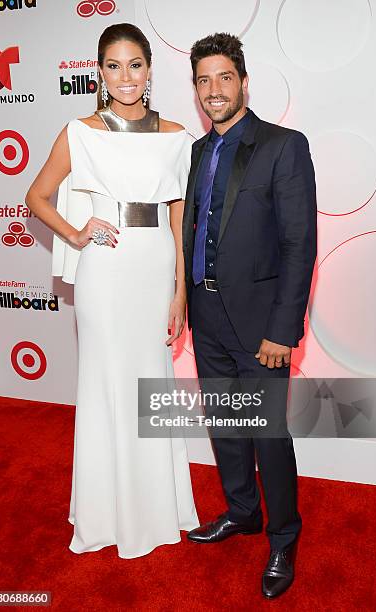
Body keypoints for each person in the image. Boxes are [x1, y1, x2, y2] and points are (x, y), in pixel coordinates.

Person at [25, 23, 199, 559]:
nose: (125, 77)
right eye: (113, 66)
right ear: (98, 72)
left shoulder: (176, 137)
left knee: (152, 382)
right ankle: (105, 512)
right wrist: (77, 235)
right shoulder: (80, 132)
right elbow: (37, 195)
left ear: (149, 69)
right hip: (105, 272)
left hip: (155, 268)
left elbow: (179, 216)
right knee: (106, 384)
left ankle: (156, 508)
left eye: (135, 65)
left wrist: (180, 292)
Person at [182, 33, 317, 598]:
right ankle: (243, 512)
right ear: (195, 89)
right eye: (203, 81)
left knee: (266, 434)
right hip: (207, 315)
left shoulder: (283, 145)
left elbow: (299, 243)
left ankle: (283, 537)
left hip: (261, 325)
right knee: (227, 429)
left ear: (243, 81)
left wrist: (282, 330)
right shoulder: (197, 150)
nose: (214, 90)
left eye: (224, 77)